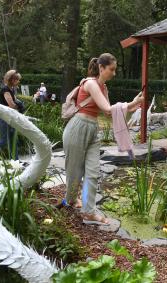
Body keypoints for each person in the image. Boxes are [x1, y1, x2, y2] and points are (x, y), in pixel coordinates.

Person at [61, 53, 143, 224]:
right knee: (74, 172)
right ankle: (70, 200)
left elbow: (107, 112)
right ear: (101, 68)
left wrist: (134, 103)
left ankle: (88, 210)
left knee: (93, 171)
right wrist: (131, 104)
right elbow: (107, 107)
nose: (114, 73)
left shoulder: (104, 88)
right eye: (111, 69)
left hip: (93, 129)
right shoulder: (90, 83)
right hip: (78, 127)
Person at [0, 70, 22, 160]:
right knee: (4, 141)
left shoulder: (11, 90)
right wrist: (19, 105)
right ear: (11, 79)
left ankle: (16, 162)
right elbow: (11, 105)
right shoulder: (5, 90)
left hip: (11, 118)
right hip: (5, 118)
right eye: (17, 79)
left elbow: (14, 104)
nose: (18, 81)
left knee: (13, 142)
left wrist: (18, 105)